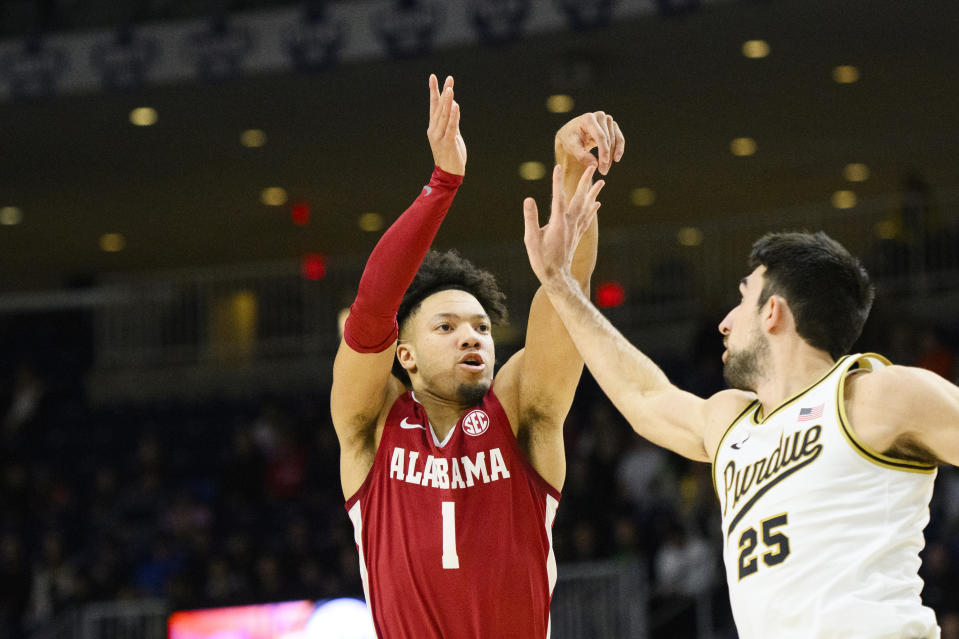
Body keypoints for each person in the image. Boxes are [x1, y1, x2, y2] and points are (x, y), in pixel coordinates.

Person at [523, 193, 959, 637]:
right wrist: (559, 285)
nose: (724, 322)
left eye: (742, 297)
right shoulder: (730, 421)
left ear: (773, 311)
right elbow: (643, 396)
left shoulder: (875, 394)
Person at [330, 74, 624, 638]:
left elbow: (569, 290)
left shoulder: (519, 413)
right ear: (406, 354)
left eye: (483, 327)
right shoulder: (371, 424)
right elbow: (371, 313)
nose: (473, 337)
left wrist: (572, 166)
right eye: (447, 326)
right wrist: (442, 183)